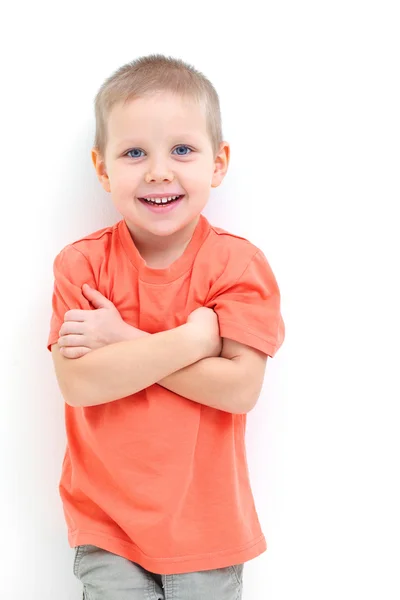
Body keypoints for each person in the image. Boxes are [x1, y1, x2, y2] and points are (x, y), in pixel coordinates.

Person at [47, 53, 285, 600]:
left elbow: (239, 389)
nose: (158, 170)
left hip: (210, 530)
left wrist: (124, 339)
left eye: (182, 149)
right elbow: (80, 382)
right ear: (103, 168)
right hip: (109, 524)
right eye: (134, 153)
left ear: (218, 162)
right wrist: (195, 339)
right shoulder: (80, 266)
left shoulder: (238, 267)